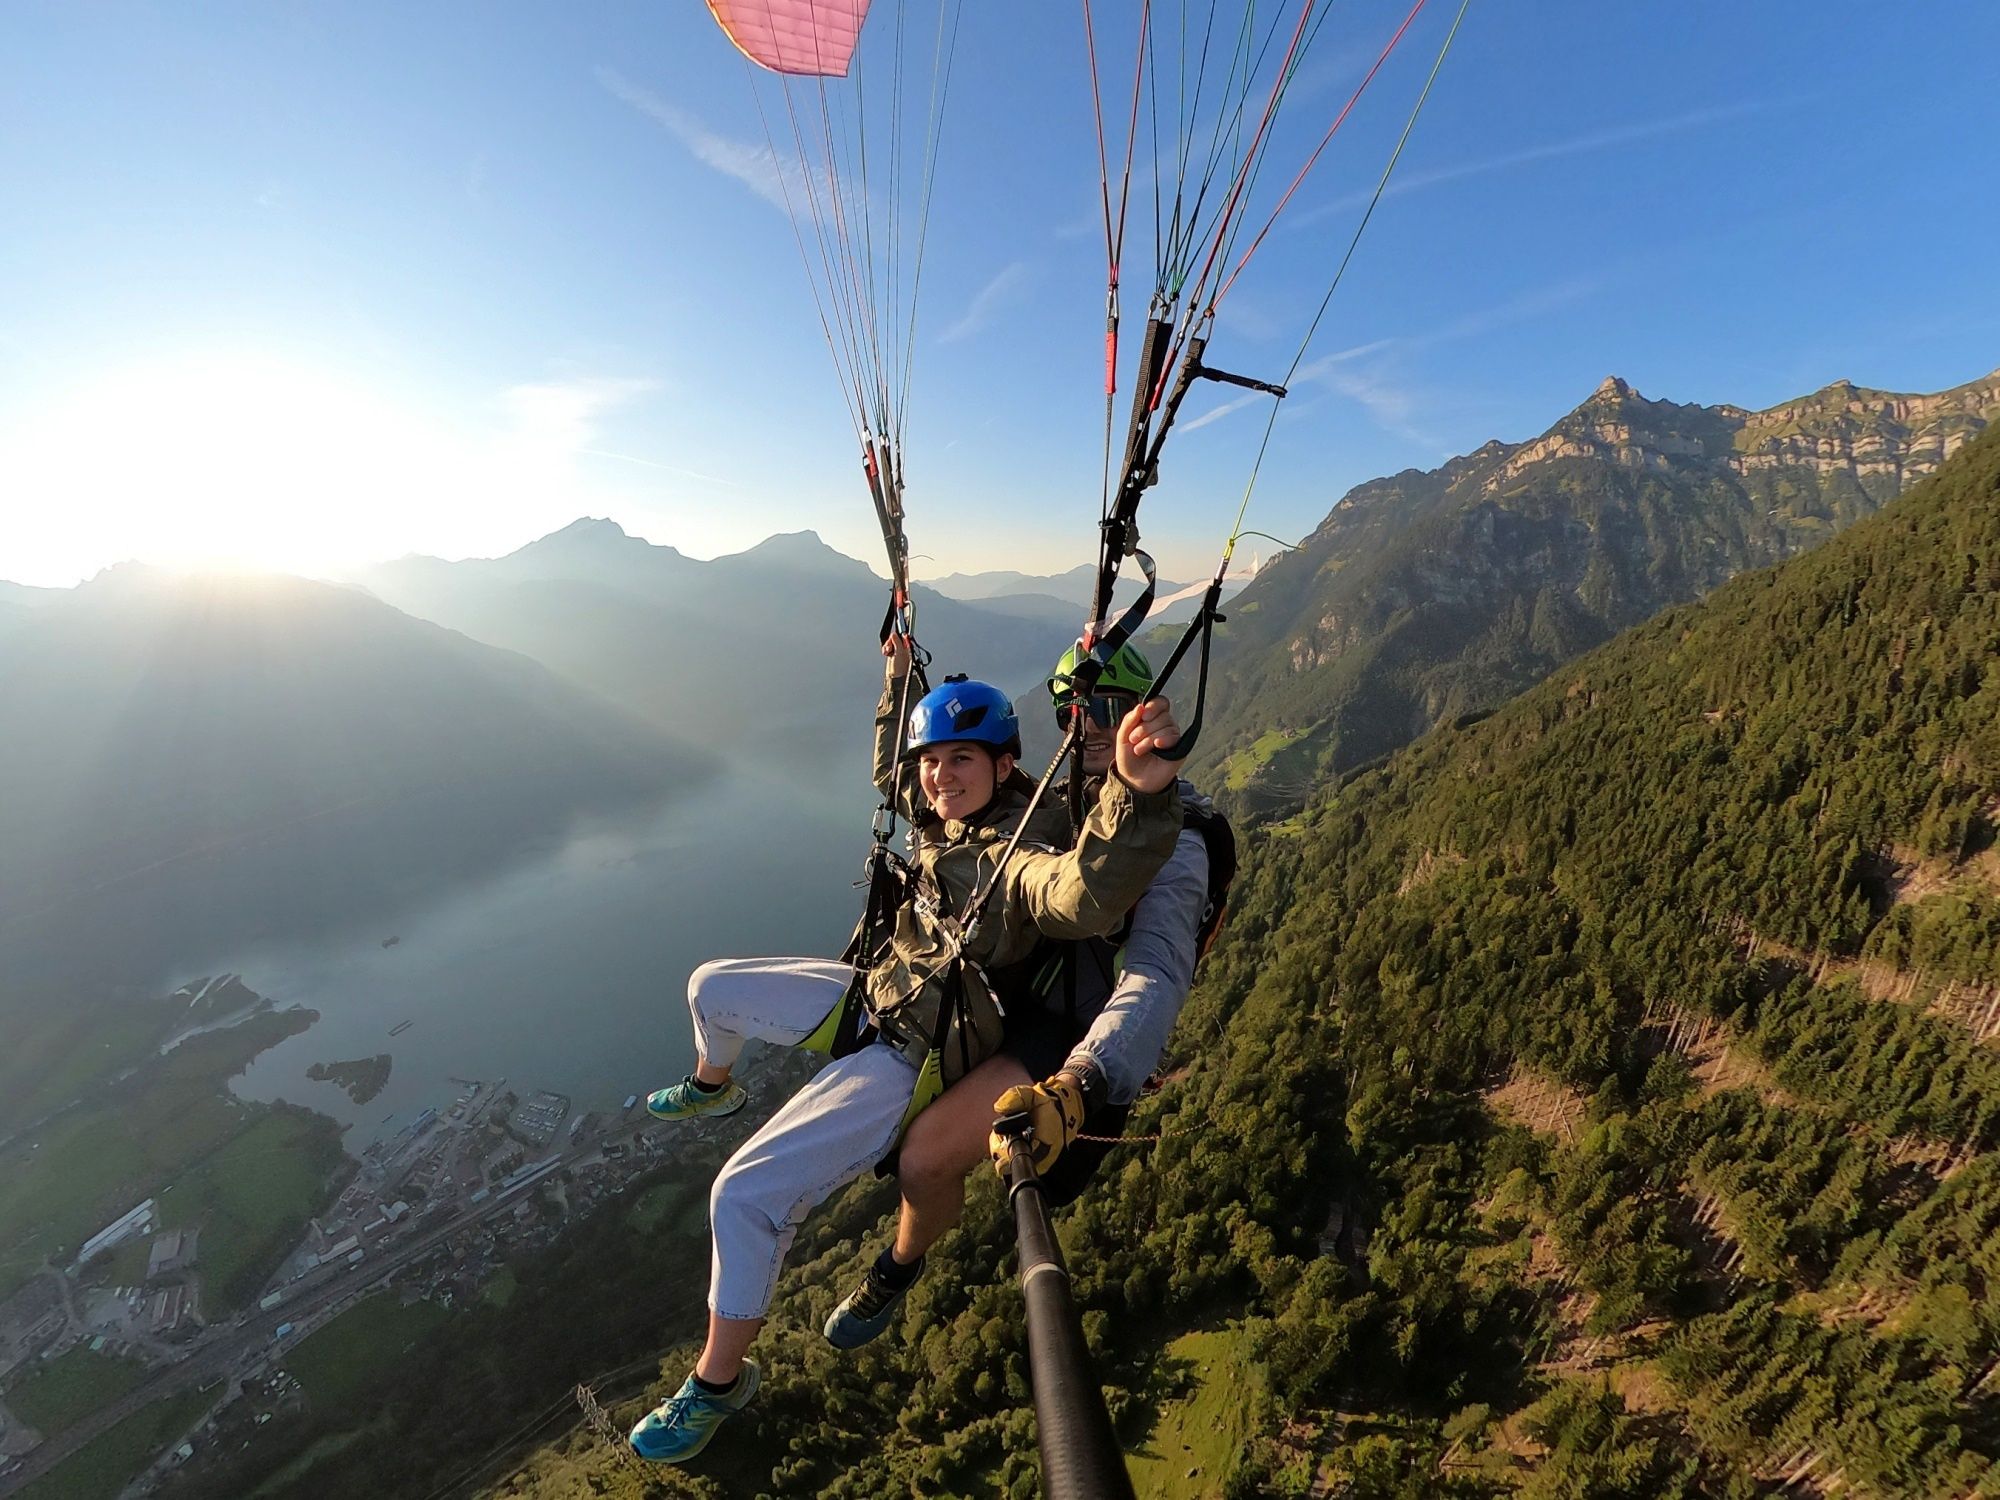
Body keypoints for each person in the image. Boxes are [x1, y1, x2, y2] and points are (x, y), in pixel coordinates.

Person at [627, 641, 1186, 1465]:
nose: (939, 777)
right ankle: (715, 1087)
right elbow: (895, 768)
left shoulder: (1016, 852)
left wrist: (1138, 796)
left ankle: (718, 1382)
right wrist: (899, 678)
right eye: (935, 762)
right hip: (878, 994)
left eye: (961, 760)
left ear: (1004, 765)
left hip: (915, 1049)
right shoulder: (946, 809)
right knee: (711, 988)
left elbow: (1080, 897)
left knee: (741, 1195)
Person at [820, 641, 1218, 1349]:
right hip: (1010, 997)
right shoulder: (1059, 805)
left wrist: (1082, 1080)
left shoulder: (1179, 841)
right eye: (1073, 712)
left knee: (923, 1158)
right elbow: (920, 787)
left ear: (1145, 713)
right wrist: (900, 678)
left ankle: (897, 1267)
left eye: (1108, 709)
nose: (1088, 727)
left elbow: (1155, 972)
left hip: (1071, 1037)